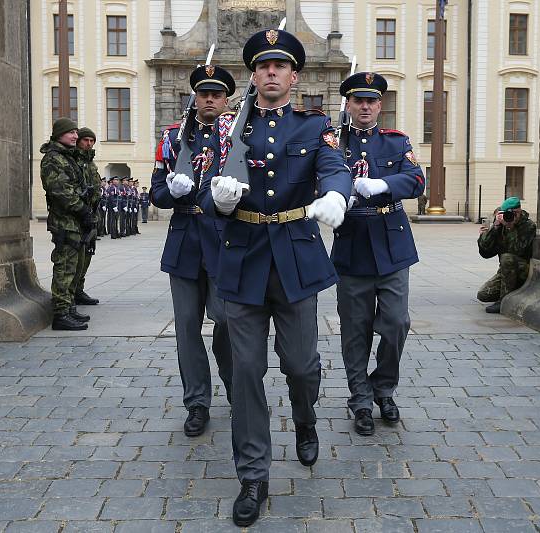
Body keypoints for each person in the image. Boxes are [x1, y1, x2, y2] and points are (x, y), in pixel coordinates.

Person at [197, 29, 351, 527]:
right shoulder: (227, 131)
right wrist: (216, 201)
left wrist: (337, 196)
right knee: (245, 373)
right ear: (252, 74)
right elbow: (203, 189)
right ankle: (253, 475)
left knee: (302, 365)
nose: (270, 73)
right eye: (262, 66)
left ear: (293, 76)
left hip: (294, 256)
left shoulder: (313, 126)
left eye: (280, 66)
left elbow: (333, 168)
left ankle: (305, 419)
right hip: (241, 257)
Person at [330, 72, 425, 436]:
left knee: (397, 323)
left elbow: (416, 182)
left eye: (371, 101)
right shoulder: (333, 144)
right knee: (355, 331)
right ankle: (360, 399)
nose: (365, 107)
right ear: (349, 106)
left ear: (380, 106)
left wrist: (383, 183)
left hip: (391, 244)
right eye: (358, 101)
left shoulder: (396, 142)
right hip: (352, 243)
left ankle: (383, 387)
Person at [150, 64, 236, 439]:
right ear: (195, 97)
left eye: (216, 94)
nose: (210, 100)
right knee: (187, 328)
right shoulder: (173, 136)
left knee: (228, 323)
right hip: (185, 241)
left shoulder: (237, 136)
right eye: (204, 94)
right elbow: (156, 192)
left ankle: (236, 389)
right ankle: (197, 402)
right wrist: (174, 192)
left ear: (226, 99)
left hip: (224, 241)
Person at [39, 117, 96, 331]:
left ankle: (69, 307)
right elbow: (61, 191)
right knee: (65, 268)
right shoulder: (53, 159)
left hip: (75, 222)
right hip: (65, 222)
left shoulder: (67, 157)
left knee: (75, 266)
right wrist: (82, 209)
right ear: (59, 134)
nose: (75, 136)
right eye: (70, 132)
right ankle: (61, 313)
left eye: (75, 132)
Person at [477, 196, 536, 313]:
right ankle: (516, 293)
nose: (509, 217)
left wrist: (511, 227)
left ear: (518, 211)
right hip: (506, 271)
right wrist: (492, 230)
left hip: (523, 269)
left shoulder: (528, 226)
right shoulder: (500, 226)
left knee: (507, 257)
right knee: (483, 294)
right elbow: (485, 252)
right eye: (506, 214)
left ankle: (504, 301)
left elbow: (518, 250)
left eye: (514, 213)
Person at [73, 127, 102, 306]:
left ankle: (78, 289)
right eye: (85, 140)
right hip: (79, 215)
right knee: (77, 257)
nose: (89, 143)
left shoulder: (91, 163)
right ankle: (71, 291)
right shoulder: (75, 160)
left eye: (92, 141)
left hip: (92, 214)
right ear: (78, 141)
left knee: (88, 254)